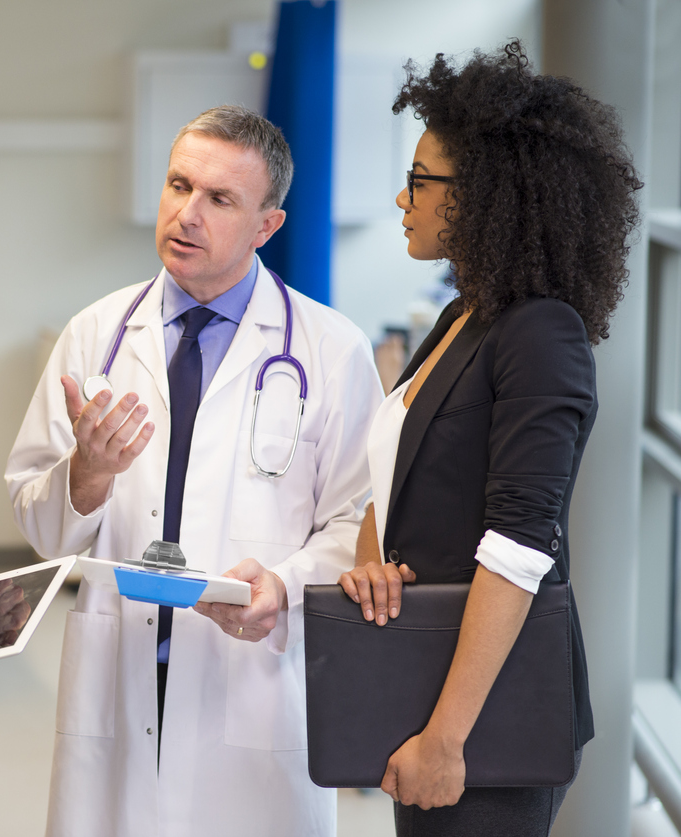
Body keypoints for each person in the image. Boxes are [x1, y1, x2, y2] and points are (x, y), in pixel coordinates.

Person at [5, 105, 383, 836]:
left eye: (219, 199)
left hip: (252, 678)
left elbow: (358, 523)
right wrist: (87, 474)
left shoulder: (331, 350)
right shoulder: (96, 335)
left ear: (266, 226)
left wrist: (283, 584)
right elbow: (37, 516)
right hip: (122, 668)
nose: (187, 213)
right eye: (179, 185)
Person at [337, 42, 642, 837]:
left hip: (484, 716)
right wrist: (371, 559)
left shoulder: (542, 331)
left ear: (478, 197)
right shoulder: (464, 316)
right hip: (428, 681)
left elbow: (517, 546)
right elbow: (400, 476)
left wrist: (447, 737)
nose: (404, 201)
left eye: (419, 182)